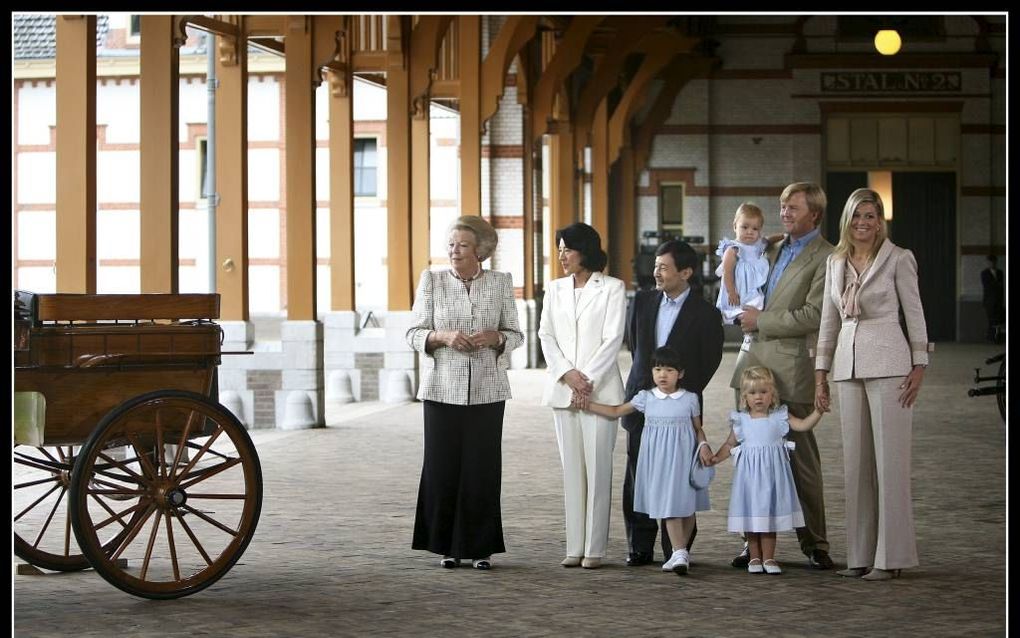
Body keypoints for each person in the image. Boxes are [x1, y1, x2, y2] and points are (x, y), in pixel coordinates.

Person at [814, 188, 929, 581]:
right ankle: (860, 556)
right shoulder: (835, 262)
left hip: (892, 366)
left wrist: (919, 365)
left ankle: (890, 558)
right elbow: (829, 322)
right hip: (847, 365)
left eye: (871, 216)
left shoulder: (899, 259)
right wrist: (821, 373)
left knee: (890, 465)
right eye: (857, 215)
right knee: (856, 466)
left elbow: (914, 313)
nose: (864, 222)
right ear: (847, 220)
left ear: (880, 221)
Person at [406, 215, 524, 571]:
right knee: (442, 468)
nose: (454, 251)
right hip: (441, 390)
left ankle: (481, 548)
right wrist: (442, 337)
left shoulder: (501, 283)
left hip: (488, 391)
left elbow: (517, 334)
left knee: (482, 469)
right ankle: (446, 546)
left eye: (463, 245)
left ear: (481, 251)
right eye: (451, 244)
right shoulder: (432, 281)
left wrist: (497, 338)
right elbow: (412, 332)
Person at [729, 181, 835, 570]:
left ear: (815, 215)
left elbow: (815, 314)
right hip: (751, 367)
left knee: (801, 462)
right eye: (782, 206)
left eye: (793, 208)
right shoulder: (768, 247)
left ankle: (815, 543)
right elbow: (734, 256)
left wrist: (762, 321)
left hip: (792, 369)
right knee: (749, 458)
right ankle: (752, 544)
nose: (784, 213)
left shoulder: (828, 257)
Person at [622, 240, 723, 567]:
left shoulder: (706, 313)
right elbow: (635, 345)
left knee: (679, 477)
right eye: (655, 266)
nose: (656, 273)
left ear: (686, 272)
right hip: (643, 403)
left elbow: (710, 359)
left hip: (680, 409)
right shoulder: (642, 301)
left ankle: (676, 548)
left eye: (663, 267)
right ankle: (639, 546)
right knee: (639, 474)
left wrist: (678, 392)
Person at [578, 346, 713, 576]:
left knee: (688, 508)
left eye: (669, 370)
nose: (662, 374)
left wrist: (703, 445)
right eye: (658, 369)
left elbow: (698, 428)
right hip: (659, 461)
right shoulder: (646, 398)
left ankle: (678, 554)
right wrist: (588, 405)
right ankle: (680, 552)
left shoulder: (690, 399)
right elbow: (617, 410)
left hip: (683, 459)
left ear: (680, 373)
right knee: (669, 506)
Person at [538, 222, 626, 570]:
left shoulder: (613, 288)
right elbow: (546, 335)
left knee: (598, 469)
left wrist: (585, 379)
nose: (561, 255)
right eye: (559, 249)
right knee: (572, 471)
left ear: (585, 250)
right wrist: (567, 375)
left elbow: (612, 338)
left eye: (567, 249)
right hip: (563, 390)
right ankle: (574, 546)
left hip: (600, 391)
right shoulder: (554, 289)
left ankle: (595, 548)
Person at [713, 366, 824, 575]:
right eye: (753, 393)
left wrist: (818, 411)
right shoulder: (741, 419)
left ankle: (769, 557)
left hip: (773, 479)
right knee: (752, 517)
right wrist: (715, 458)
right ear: (744, 396)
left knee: (769, 517)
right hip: (749, 479)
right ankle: (754, 556)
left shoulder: (779, 416)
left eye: (763, 392)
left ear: (772, 393)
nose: (758, 397)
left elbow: (802, 425)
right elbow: (729, 445)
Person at [715, 203, 770, 325]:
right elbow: (727, 271)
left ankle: (751, 316)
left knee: (754, 303)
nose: (750, 232)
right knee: (736, 305)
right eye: (744, 227)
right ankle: (734, 316)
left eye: (755, 229)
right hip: (737, 287)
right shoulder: (733, 248)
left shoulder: (758, 245)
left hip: (750, 287)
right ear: (735, 226)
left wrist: (784, 236)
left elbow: (769, 239)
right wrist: (731, 292)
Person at [981, 254, 1004, 343]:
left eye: (993, 262)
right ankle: (991, 337)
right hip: (989, 301)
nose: (992, 264)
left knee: (997, 320)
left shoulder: (1000, 272)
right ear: (988, 263)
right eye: (990, 262)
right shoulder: (984, 273)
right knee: (991, 319)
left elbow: (1001, 287)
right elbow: (987, 286)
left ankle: (995, 338)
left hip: (998, 300)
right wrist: (996, 285)